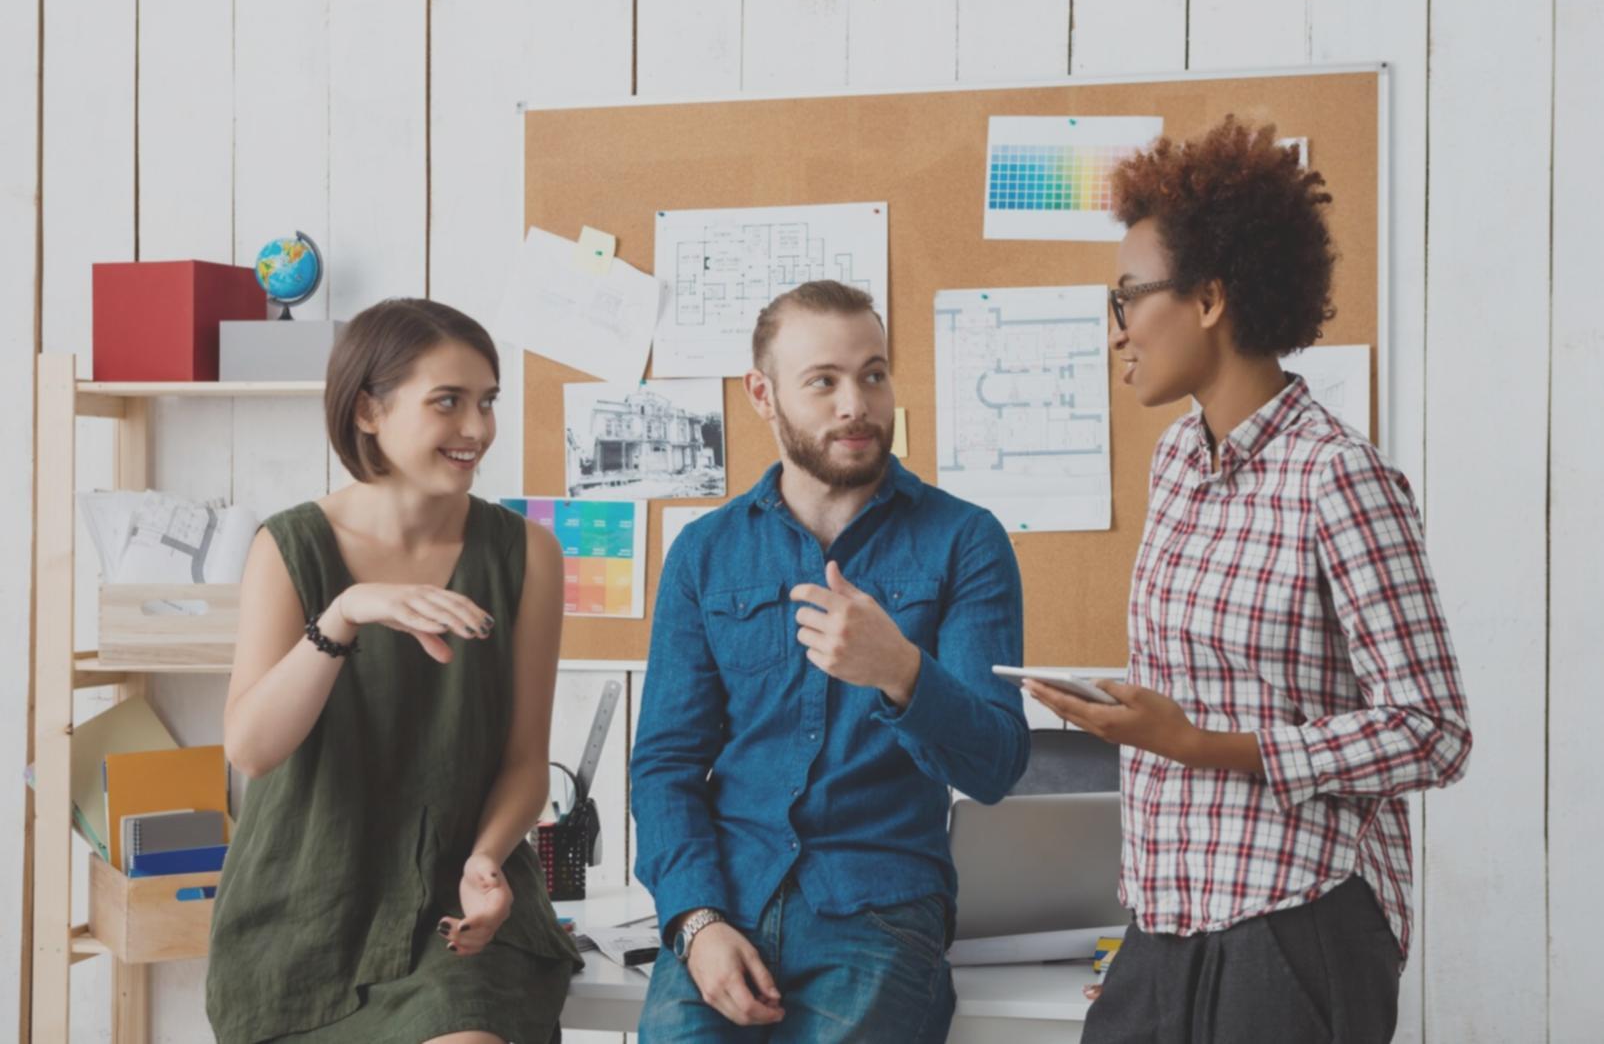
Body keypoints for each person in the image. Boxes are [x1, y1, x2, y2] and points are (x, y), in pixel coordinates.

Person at [1023, 117, 1474, 1043]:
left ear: (1211, 298)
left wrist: (1206, 746)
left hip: (1296, 916)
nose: (1115, 330)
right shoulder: (1177, 461)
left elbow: (1433, 730)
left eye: (1126, 298)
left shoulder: (1336, 475)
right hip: (1166, 917)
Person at [630, 280, 1030, 1042]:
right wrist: (695, 919)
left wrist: (901, 671)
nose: (857, 403)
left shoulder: (966, 540)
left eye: (873, 374)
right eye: (824, 381)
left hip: (877, 909)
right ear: (762, 393)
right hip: (726, 904)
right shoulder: (703, 554)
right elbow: (665, 765)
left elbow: (997, 764)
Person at [206, 298, 580, 1044]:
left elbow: (524, 762)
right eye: (448, 401)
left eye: (487, 401)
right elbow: (251, 747)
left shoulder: (526, 554)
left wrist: (485, 858)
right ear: (369, 409)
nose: (477, 429)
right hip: (305, 910)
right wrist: (343, 614)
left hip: (458, 907)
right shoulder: (288, 548)